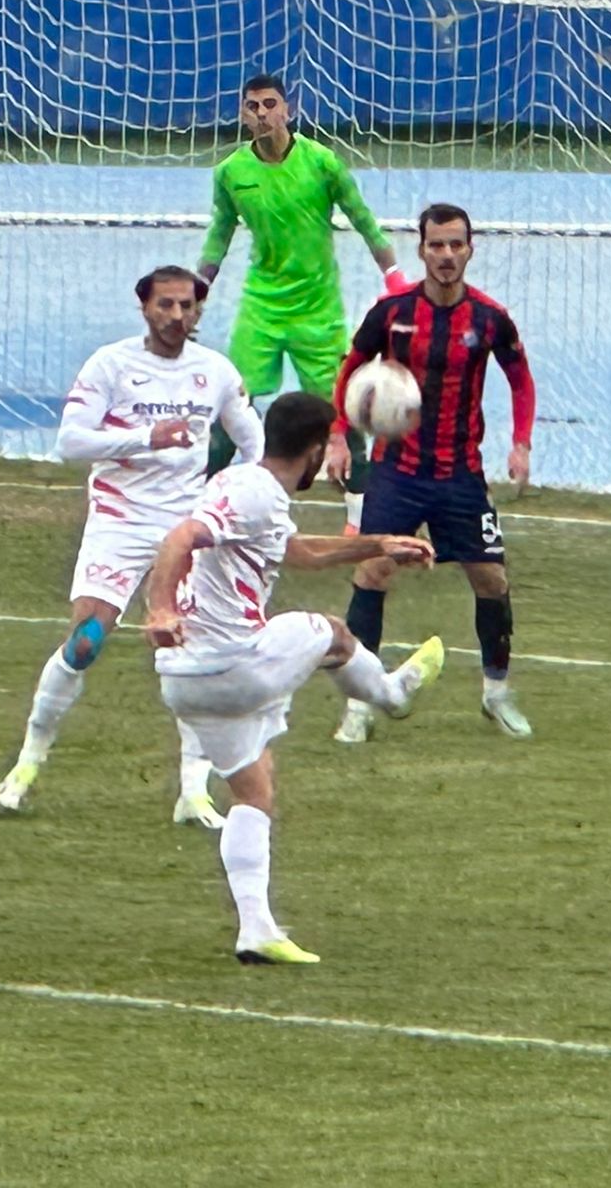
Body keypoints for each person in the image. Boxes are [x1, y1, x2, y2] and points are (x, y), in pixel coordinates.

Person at [141, 392, 445, 965]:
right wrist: (160, 609)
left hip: (185, 681)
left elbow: (298, 551)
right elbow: (181, 537)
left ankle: (255, 930)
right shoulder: (252, 491)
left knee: (253, 792)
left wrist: (380, 544)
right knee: (331, 632)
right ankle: (391, 694)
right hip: (235, 664)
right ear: (314, 450)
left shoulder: (245, 487)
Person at [0, 267, 264, 825]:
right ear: (144, 308)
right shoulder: (111, 364)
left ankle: (193, 793)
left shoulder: (215, 371)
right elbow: (71, 442)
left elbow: (253, 443)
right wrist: (146, 438)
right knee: (86, 641)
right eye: (165, 305)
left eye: (186, 306)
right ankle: (26, 764)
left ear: (198, 311)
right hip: (119, 521)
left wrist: (233, 494)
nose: (176, 316)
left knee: (193, 655)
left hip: (183, 526)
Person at [324, 203, 537, 744]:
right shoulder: (391, 311)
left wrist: (520, 444)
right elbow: (350, 369)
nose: (446, 255)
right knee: (372, 573)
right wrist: (337, 435)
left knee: (491, 580)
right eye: (436, 245)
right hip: (396, 473)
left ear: (470, 250)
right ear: (421, 250)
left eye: (455, 245)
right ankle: (359, 704)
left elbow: (519, 378)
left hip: (460, 476)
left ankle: (496, 694)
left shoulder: (489, 318)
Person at [198, 73, 412, 526]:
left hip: (318, 310)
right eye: (253, 106)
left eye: (269, 104)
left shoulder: (322, 163)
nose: (262, 114)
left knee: (341, 412)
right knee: (232, 402)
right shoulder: (231, 173)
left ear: (287, 110)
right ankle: (196, 508)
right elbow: (220, 232)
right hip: (262, 306)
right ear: (243, 114)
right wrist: (199, 286)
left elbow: (363, 219)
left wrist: (394, 277)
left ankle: (361, 517)